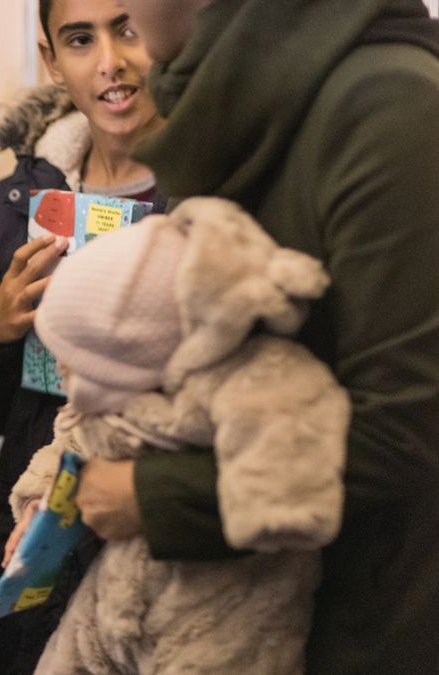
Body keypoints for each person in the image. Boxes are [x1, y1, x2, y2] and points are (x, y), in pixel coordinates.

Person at [74, 0, 439, 671]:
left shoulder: (389, 101)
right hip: (227, 598)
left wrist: (150, 494)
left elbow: (405, 428)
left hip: (364, 620)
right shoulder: (221, 103)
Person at [8, 198, 349, 672]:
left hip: (224, 607)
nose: (62, 371)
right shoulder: (116, 395)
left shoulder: (254, 384)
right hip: (117, 590)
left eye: (76, 360)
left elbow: (290, 489)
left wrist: (152, 494)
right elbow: (77, 437)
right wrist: (41, 506)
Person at [0, 0, 164, 671]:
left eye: (128, 28)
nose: (110, 61)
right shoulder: (18, 204)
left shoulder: (218, 193)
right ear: (53, 61)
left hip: (156, 536)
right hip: (27, 538)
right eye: (79, 38)